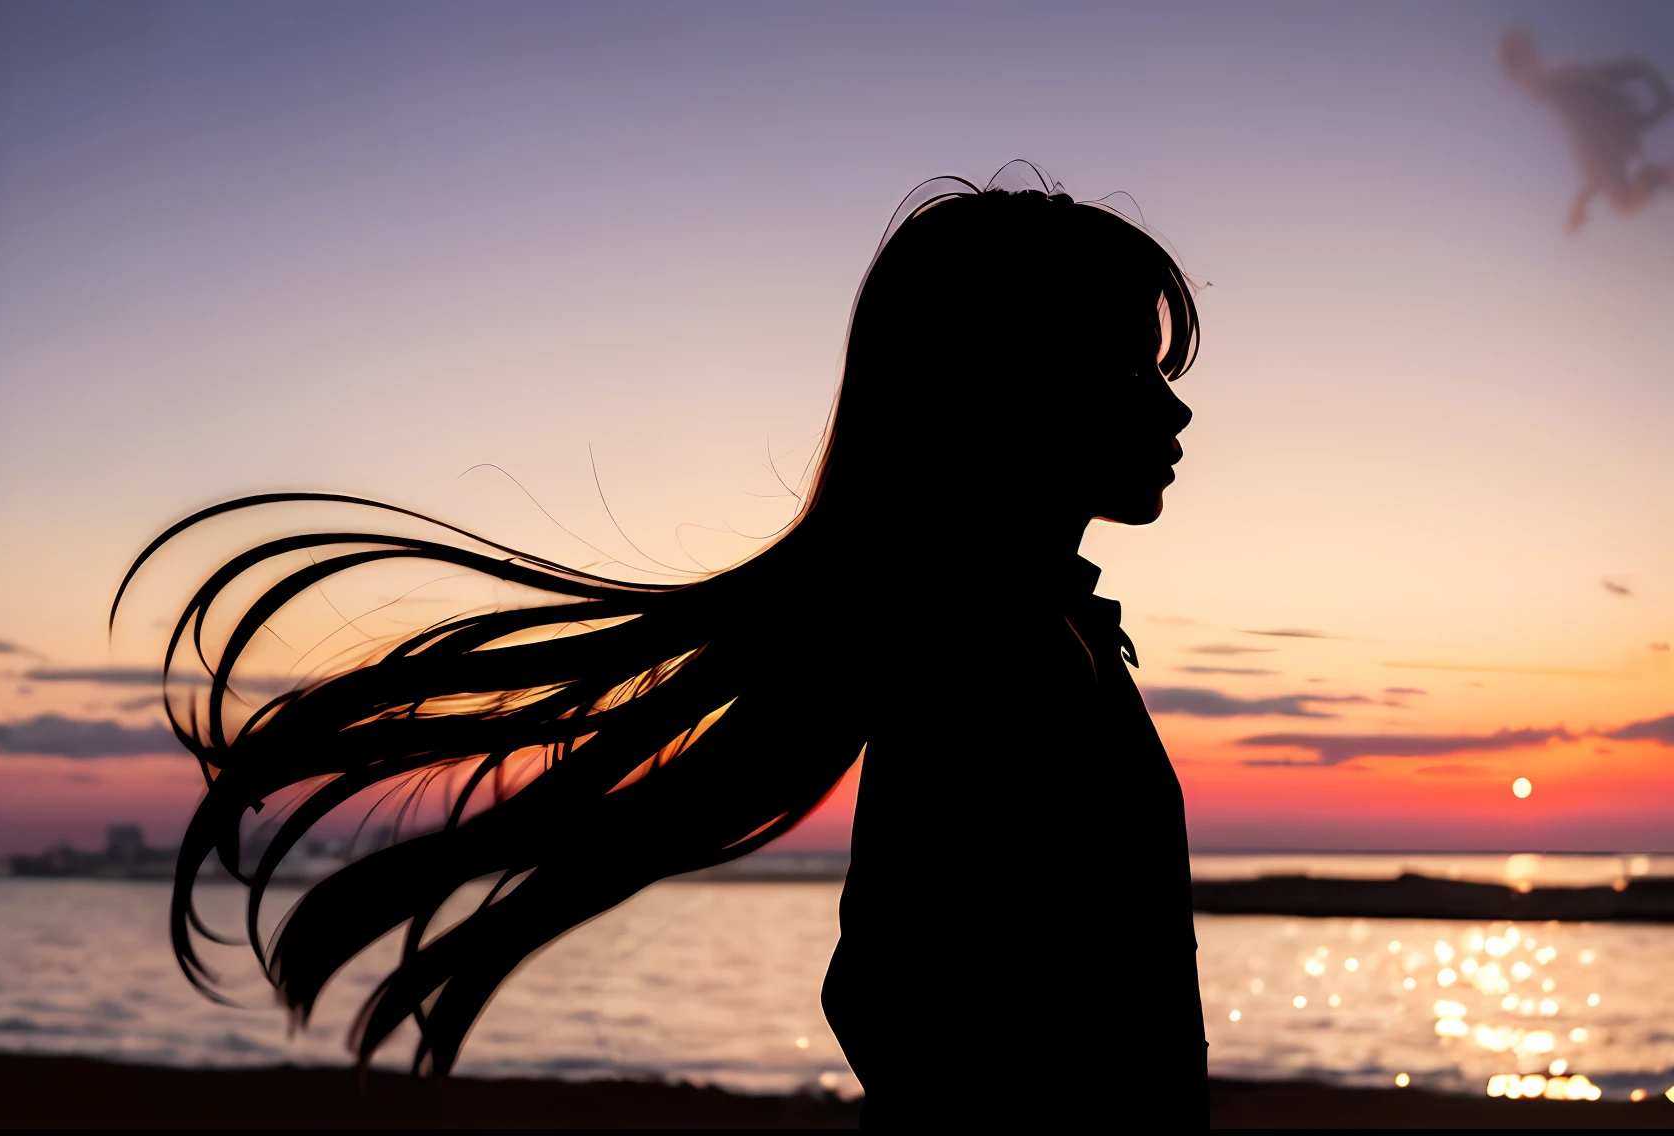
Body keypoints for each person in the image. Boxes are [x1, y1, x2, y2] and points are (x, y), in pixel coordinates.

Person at [115, 177, 1207, 1126]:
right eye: (1126, 370)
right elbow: (889, 988)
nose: (1171, 410)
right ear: (1007, 386)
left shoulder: (1029, 628)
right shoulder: (985, 648)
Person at [1501, 26, 1674, 232]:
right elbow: (1594, 171)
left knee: (1623, 201)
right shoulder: (1558, 83)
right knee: (1622, 200)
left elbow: (1593, 165)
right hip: (1613, 132)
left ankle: (1655, 174)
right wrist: (1578, 207)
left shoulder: (1557, 83)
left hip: (1612, 130)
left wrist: (1578, 207)